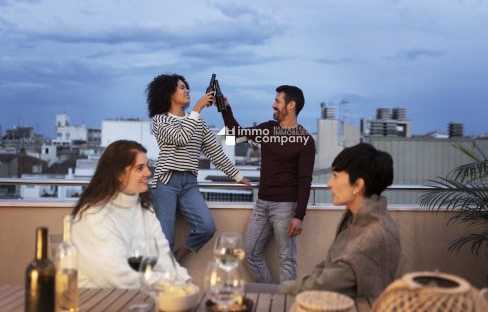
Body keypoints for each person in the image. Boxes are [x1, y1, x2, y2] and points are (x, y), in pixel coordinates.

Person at [146, 74, 251, 261]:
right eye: (181, 87)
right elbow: (180, 138)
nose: (187, 90)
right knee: (165, 239)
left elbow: (215, 152)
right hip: (165, 182)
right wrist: (197, 108)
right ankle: (164, 279)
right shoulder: (160, 121)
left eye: (187, 87)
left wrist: (238, 177)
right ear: (168, 93)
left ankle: (177, 259)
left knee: (207, 227)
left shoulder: (197, 122)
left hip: (189, 183)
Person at [278, 143, 401, 298]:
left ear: (358, 185)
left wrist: (283, 288)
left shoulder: (373, 234)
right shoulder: (358, 218)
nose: (329, 184)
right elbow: (330, 268)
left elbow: (327, 282)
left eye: (335, 176)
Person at [221, 85, 315, 283]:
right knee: (249, 252)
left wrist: (299, 216)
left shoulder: (305, 140)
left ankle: (285, 302)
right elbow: (236, 135)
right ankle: (272, 293)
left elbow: (305, 180)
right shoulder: (268, 129)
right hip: (262, 203)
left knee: (286, 259)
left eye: (277, 101)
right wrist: (225, 108)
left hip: (285, 207)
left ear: (291, 105)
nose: (273, 105)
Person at [71, 140, 191, 288]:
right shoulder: (94, 215)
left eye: (147, 166)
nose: (148, 172)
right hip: (98, 300)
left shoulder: (143, 207)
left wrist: (186, 281)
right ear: (118, 175)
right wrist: (170, 283)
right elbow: (118, 276)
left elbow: (163, 255)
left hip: (141, 296)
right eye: (140, 168)